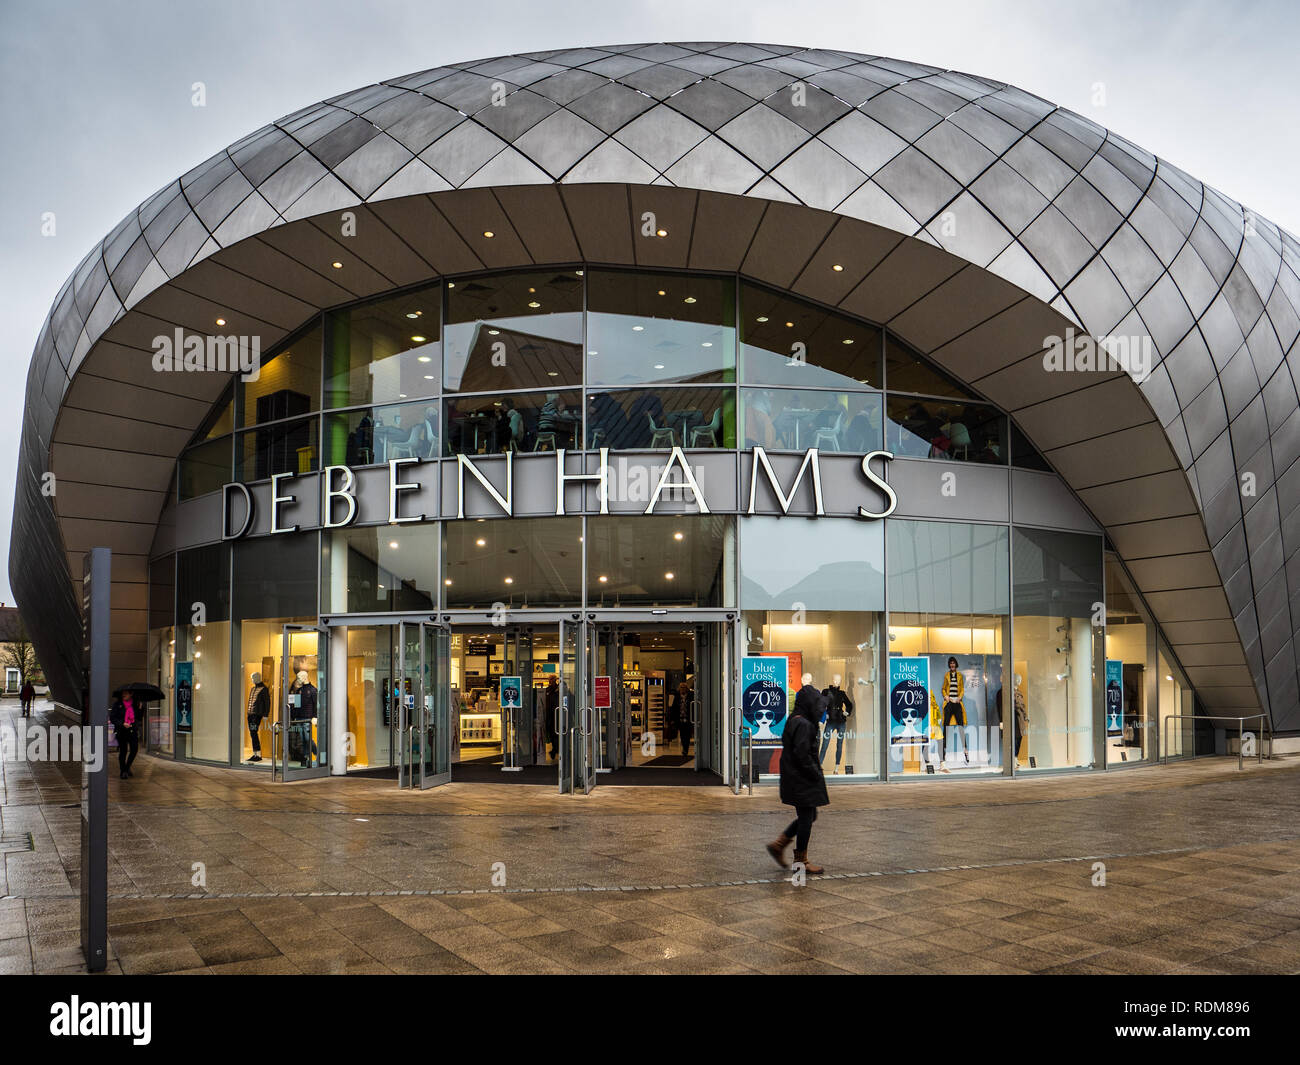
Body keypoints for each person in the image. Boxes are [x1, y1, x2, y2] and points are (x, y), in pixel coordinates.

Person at [766, 673, 829, 874]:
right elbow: (802, 754)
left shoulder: (796, 718)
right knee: (806, 817)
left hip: (796, 776)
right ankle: (800, 861)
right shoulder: (803, 724)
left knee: (810, 815)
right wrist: (815, 774)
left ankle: (779, 845)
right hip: (801, 777)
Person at [819, 673, 854, 772]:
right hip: (830, 721)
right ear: (832, 679)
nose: (837, 682)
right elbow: (821, 704)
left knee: (839, 745)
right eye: (835, 679)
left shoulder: (842, 693)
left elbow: (849, 704)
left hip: (841, 721)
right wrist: (824, 714)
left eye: (839, 680)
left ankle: (837, 767)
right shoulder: (826, 692)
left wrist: (847, 712)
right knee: (825, 743)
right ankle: (820, 764)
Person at [288, 670, 318, 768]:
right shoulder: (298, 690)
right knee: (303, 739)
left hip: (307, 718)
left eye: (299, 677)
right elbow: (295, 705)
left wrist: (315, 716)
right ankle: (306, 757)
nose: (298, 679)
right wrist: (293, 716)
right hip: (299, 718)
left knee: (307, 738)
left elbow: (316, 705)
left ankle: (316, 752)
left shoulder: (313, 690)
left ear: (305, 677)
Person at [109, 689, 140, 779]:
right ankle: (123, 771)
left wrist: (141, 708)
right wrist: (122, 723)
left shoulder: (136, 704)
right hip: (121, 731)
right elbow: (112, 718)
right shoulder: (117, 704)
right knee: (123, 751)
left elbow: (138, 717)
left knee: (134, 750)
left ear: (131, 694)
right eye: (123, 693)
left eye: (126, 693)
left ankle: (127, 767)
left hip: (132, 731)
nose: (124, 694)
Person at [245, 672, 269, 763]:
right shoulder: (253, 689)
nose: (252, 680)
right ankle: (256, 753)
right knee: (252, 733)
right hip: (250, 715)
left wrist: (266, 715)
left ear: (257, 678)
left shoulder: (264, 689)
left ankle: (258, 754)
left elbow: (267, 703)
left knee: (254, 732)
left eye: (253, 678)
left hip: (257, 715)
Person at [671, 682, 694, 757]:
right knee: (682, 734)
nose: (682, 689)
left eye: (684, 687)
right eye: (681, 687)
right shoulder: (677, 696)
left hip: (688, 718)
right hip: (680, 718)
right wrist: (672, 719)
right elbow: (674, 708)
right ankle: (684, 748)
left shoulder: (690, 696)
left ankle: (685, 748)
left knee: (687, 734)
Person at [544, 677, 559, 761]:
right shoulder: (547, 690)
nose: (550, 681)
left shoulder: (557, 690)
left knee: (556, 733)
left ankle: (555, 750)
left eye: (552, 680)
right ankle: (555, 749)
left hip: (556, 714)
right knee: (552, 733)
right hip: (550, 715)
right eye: (550, 680)